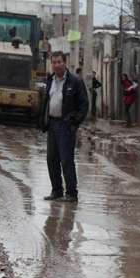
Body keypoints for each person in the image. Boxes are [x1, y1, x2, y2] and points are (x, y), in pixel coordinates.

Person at [39, 51, 89, 203]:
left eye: (59, 62)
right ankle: (57, 191)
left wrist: (74, 122)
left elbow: (84, 105)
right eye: (54, 62)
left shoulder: (75, 82)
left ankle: (72, 193)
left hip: (66, 126)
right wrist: (43, 121)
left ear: (65, 63)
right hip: (53, 124)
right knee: (51, 159)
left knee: (66, 160)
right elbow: (46, 101)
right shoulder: (50, 80)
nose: (56, 65)